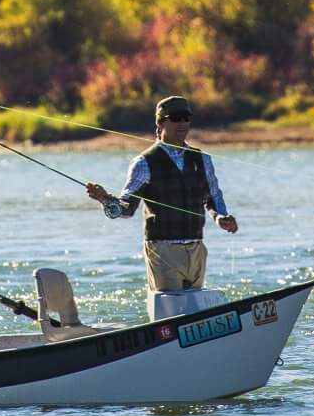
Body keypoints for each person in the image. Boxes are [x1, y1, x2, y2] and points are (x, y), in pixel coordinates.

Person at [86, 95, 238, 305]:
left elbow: (213, 197)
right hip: (162, 250)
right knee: (171, 311)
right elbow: (126, 209)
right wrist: (104, 199)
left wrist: (220, 217)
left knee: (195, 312)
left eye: (186, 118)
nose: (183, 123)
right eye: (176, 118)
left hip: (196, 248)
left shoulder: (202, 159)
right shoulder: (144, 162)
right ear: (160, 123)